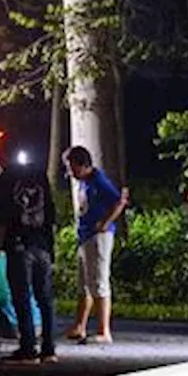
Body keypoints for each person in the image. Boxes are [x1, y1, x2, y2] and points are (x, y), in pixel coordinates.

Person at [0, 138, 58, 364]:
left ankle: (28, 348)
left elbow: (1, 221)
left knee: (21, 297)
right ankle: (49, 349)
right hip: (43, 244)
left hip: (19, 246)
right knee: (45, 298)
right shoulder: (40, 175)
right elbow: (51, 214)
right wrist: (51, 247)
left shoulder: (3, 181)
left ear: (2, 155)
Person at [62, 145, 126, 344]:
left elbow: (119, 201)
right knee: (84, 284)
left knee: (99, 282)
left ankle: (103, 330)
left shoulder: (98, 180)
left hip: (99, 237)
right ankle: (80, 326)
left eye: (72, 166)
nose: (70, 171)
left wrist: (105, 223)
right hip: (85, 236)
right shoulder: (85, 182)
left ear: (82, 165)